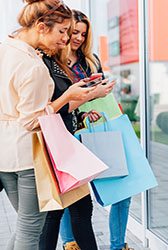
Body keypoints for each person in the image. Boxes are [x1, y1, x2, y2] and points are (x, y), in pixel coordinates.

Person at [0, 0, 92, 249]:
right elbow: (31, 120)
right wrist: (68, 97)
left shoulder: (5, 49)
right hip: (28, 157)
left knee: (24, 226)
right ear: (41, 26)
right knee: (31, 232)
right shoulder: (33, 66)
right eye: (62, 31)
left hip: (5, 154)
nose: (65, 39)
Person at [37, 4, 115, 250]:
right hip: (57, 143)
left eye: (81, 33)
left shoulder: (80, 61)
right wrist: (91, 95)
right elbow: (52, 110)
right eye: (68, 32)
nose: (72, 38)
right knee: (61, 213)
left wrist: (91, 98)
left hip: (68, 139)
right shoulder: (47, 63)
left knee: (71, 211)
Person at [57, 10, 132, 250]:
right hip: (67, 135)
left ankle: (117, 245)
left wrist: (103, 89)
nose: (78, 38)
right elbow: (57, 105)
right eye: (74, 32)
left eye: (83, 33)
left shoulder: (91, 60)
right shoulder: (53, 62)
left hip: (98, 130)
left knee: (123, 189)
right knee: (73, 195)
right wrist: (93, 93)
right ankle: (70, 244)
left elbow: (97, 97)